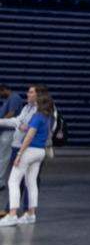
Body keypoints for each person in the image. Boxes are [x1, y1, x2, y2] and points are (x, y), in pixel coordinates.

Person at [0, 86, 53, 226]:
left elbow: (29, 136)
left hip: (29, 151)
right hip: (39, 152)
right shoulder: (46, 114)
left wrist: (19, 154)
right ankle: (31, 214)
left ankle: (11, 215)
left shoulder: (37, 115)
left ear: (39, 97)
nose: (27, 94)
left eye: (31, 92)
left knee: (13, 182)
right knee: (31, 183)